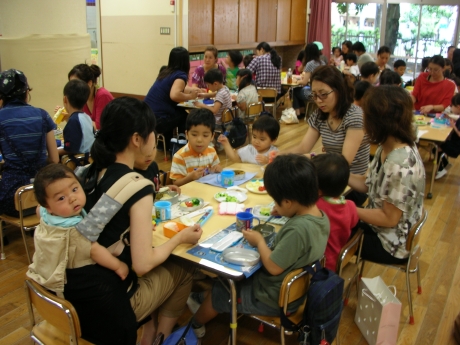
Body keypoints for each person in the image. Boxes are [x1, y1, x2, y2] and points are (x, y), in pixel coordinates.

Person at [63, 97, 203, 345]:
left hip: (74, 293)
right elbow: (142, 265)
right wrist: (180, 238)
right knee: (183, 267)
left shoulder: (92, 172)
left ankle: (151, 332)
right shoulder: (138, 186)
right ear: (137, 139)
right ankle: (155, 338)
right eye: (152, 134)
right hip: (110, 306)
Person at [187, 154, 329, 339]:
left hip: (273, 297)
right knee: (224, 280)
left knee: (224, 289)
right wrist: (286, 212)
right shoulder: (320, 218)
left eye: (278, 201)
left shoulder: (298, 230)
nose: (276, 205)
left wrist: (260, 242)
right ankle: (204, 297)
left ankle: (194, 324)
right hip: (295, 291)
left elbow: (273, 267)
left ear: (288, 202)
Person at [349, 85, 425, 265]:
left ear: (378, 121)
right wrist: (338, 174)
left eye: (365, 114)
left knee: (326, 229)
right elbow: (368, 184)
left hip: (390, 244)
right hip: (382, 229)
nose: (362, 119)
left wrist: (348, 209)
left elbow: (389, 219)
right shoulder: (388, 146)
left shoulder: (400, 164)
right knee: (328, 219)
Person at [284, 65, 370, 205]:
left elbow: (343, 162)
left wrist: (312, 158)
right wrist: (280, 155)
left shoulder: (354, 116)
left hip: (351, 186)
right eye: (314, 95)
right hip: (328, 180)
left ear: (339, 90)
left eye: (323, 94)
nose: (318, 100)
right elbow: (303, 147)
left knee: (301, 205)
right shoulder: (320, 115)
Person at [30, 164, 129, 282]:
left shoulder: (46, 212)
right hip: (66, 277)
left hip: (45, 270)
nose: (72, 198)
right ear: (48, 207)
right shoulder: (75, 229)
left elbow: (38, 210)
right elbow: (94, 251)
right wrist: (118, 266)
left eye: (74, 189)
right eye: (61, 198)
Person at [0, 69, 59, 217]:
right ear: (26, 93)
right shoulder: (42, 115)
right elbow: (54, 159)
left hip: (12, 198)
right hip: (43, 195)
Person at [144, 47, 199, 150]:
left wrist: (195, 90)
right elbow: (174, 95)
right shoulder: (180, 75)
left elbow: (180, 88)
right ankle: (182, 146)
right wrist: (190, 96)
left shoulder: (166, 72)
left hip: (147, 116)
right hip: (159, 120)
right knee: (184, 116)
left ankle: (165, 145)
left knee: (176, 112)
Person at [312, 153, 358, 271]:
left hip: (320, 266)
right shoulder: (351, 206)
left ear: (318, 190)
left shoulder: (317, 207)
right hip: (339, 260)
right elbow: (352, 223)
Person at [170, 109, 222, 186]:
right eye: (194, 135)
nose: (199, 140)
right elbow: (176, 183)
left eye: (205, 135)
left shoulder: (212, 151)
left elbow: (216, 169)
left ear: (212, 136)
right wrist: (190, 178)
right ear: (187, 134)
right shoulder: (180, 157)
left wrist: (218, 169)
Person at [57, 79, 94, 164]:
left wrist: (55, 152)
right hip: (89, 159)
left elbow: (71, 149)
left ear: (65, 99)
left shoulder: (74, 120)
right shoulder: (86, 117)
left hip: (78, 162)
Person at [66, 64, 113, 130]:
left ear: (89, 83)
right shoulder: (82, 97)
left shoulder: (102, 95)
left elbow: (98, 127)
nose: (73, 88)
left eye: (76, 84)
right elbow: (79, 124)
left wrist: (74, 117)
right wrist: (67, 116)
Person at [292, 43, 326, 119]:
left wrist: (297, 81)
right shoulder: (322, 63)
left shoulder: (310, 64)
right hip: (322, 92)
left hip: (312, 94)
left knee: (294, 90)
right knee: (299, 90)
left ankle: (298, 113)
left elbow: (304, 82)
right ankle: (302, 111)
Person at [435, 94, 460, 179]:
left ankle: (441, 167)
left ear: (458, 107)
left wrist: (454, 126)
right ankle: (444, 164)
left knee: (435, 146)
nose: (451, 108)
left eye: (451, 106)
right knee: (437, 145)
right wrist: (449, 117)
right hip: (454, 143)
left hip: (456, 146)